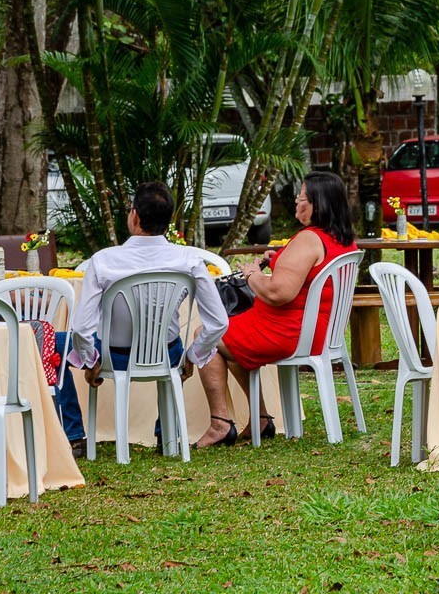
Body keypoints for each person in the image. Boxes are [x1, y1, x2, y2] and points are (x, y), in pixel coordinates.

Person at [194, 171, 356, 443]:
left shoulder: (309, 239)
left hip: (289, 332)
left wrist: (250, 274)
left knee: (207, 334)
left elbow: (278, 292)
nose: (296, 201)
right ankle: (260, 418)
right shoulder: (341, 238)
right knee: (231, 341)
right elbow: (307, 273)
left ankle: (220, 423)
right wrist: (279, 258)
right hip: (318, 330)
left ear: (319, 204)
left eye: (302, 197)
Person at [68, 182, 229, 447]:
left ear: (135, 216)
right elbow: (219, 322)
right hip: (168, 355)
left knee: (56, 343)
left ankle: (73, 437)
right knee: (173, 341)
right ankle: (165, 433)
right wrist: (193, 355)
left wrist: (90, 359)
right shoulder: (189, 259)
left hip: (113, 357)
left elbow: (82, 328)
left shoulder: (103, 260)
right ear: (168, 221)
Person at [0, 252, 87, 457]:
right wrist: (35, 300)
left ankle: (73, 434)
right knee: (55, 346)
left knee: (51, 349)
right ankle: (91, 348)